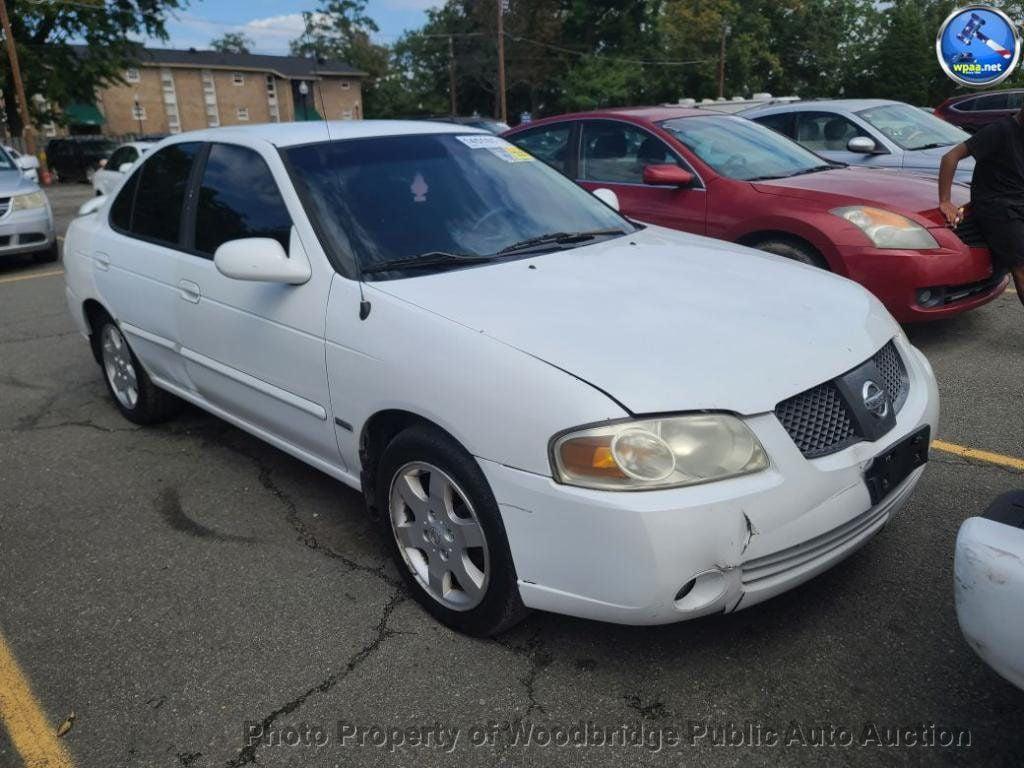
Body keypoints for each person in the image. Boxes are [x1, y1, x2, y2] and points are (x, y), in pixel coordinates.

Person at [939, 112, 1024, 308]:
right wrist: (945, 200)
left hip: (1018, 201)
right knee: (1021, 267)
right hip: (997, 207)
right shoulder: (999, 130)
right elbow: (950, 157)